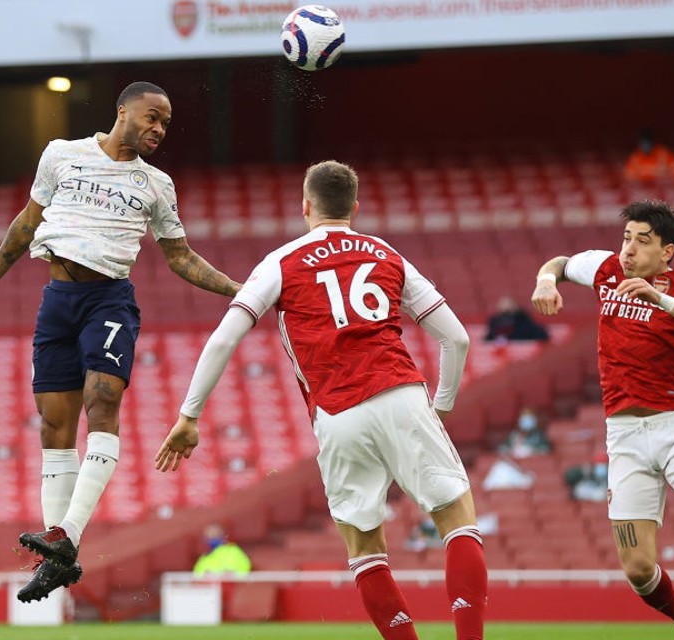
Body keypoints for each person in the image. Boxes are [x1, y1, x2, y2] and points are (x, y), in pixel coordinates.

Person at [156, 161, 487, 640]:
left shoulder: (281, 261)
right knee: (456, 519)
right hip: (399, 392)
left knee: (366, 548)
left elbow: (224, 340)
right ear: (354, 207)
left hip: (335, 413)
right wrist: (443, 406)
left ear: (305, 205)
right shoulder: (385, 252)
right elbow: (455, 339)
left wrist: (189, 416)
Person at [0, 81, 241, 603]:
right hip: (57, 301)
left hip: (108, 301)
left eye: (165, 123)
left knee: (102, 402)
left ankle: (67, 533)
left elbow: (179, 257)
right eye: (152, 116)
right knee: (53, 423)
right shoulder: (61, 154)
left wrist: (238, 288)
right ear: (123, 110)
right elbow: (28, 223)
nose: (159, 128)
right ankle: (55, 553)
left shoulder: (156, 184)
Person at [530, 200, 674, 640]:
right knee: (638, 571)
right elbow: (560, 263)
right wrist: (545, 280)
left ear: (667, 250)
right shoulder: (605, 270)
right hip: (624, 436)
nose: (628, 250)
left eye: (642, 241)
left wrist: (662, 299)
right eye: (625, 238)